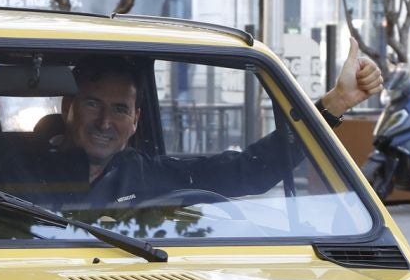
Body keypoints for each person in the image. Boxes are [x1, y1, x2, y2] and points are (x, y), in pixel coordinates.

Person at [23, 45, 383, 207]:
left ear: (135, 121)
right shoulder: (14, 173)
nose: (105, 122)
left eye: (119, 109)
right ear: (68, 106)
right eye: (92, 104)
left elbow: (250, 172)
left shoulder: (149, 176)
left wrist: (335, 103)